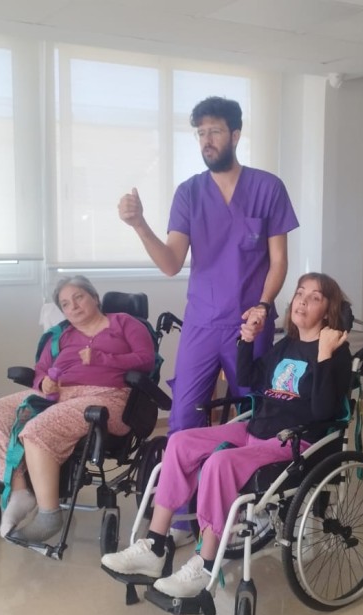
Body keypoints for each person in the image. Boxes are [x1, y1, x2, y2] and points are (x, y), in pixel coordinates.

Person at [100, 273, 352, 599]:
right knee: (180, 442)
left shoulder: (336, 353)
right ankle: (155, 545)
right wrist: (246, 340)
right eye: (300, 293)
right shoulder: (287, 345)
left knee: (219, 463)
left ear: (329, 310)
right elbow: (248, 379)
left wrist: (325, 355)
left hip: (293, 441)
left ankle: (205, 564)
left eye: (315, 297)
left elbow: (323, 411)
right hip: (256, 428)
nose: (302, 301)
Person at [116, 96, 299, 437]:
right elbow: (171, 263)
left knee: (255, 412)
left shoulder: (268, 188)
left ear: (235, 135)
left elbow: (279, 261)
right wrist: (139, 224)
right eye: (201, 133)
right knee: (184, 417)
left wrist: (263, 305)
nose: (207, 141)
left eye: (215, 131)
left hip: (250, 323)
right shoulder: (189, 193)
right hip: (202, 322)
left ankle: (246, 470)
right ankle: (193, 474)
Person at [0, 275, 155, 543]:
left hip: (107, 396)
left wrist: (102, 358)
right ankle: (19, 491)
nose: (73, 306)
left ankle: (49, 515)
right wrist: (44, 382)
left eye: (78, 297)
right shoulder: (61, 335)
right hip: (59, 395)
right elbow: (41, 370)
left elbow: (146, 360)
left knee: (37, 428)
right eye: (65, 303)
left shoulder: (125, 323)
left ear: (94, 297)